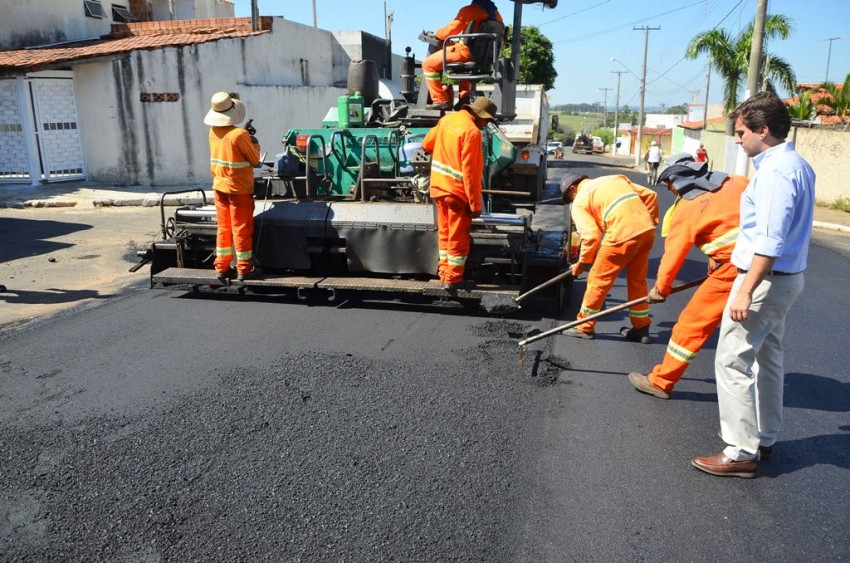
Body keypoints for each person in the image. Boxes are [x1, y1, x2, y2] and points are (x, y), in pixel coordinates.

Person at [691, 92, 815, 479]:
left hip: (764, 281)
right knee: (768, 358)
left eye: (742, 131)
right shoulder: (796, 165)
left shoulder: (777, 172)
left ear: (763, 130)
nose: (737, 138)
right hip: (784, 280)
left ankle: (741, 451)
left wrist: (745, 290)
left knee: (732, 358)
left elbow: (770, 240)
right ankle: (762, 435)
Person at [627, 155, 749, 399]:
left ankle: (661, 382)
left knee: (690, 324)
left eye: (669, 183)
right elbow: (732, 227)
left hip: (732, 269)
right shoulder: (737, 182)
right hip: (766, 262)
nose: (670, 189)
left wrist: (661, 289)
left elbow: (673, 256)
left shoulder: (688, 207)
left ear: (677, 180)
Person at [560, 172, 659, 341]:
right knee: (637, 281)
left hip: (621, 233)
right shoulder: (614, 179)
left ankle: (584, 326)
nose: (571, 202)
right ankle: (641, 328)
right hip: (646, 232)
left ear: (573, 189)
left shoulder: (580, 200)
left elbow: (591, 235)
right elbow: (651, 195)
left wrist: (582, 263)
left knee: (597, 280)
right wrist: (647, 220)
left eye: (569, 198)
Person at [422, 96, 496, 289]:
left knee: (444, 233)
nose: (486, 125)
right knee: (457, 237)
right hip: (457, 193)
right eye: (487, 121)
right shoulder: (472, 132)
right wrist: (475, 205)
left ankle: (444, 273)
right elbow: (470, 174)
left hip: (438, 188)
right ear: (479, 115)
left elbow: (426, 145)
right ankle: (453, 279)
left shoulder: (447, 119)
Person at [204, 91, 261, 284]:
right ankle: (244, 269)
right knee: (241, 228)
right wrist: (254, 141)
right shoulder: (240, 134)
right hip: (239, 190)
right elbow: (255, 160)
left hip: (219, 186)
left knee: (224, 228)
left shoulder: (213, 132)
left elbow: (229, 148)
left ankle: (222, 267)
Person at [421, 0, 503, 110]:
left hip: (466, 52)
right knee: (466, 69)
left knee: (428, 64)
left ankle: (440, 100)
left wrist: (435, 33)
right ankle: (464, 98)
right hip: (484, 57)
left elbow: (449, 31)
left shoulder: (469, 10)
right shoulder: (497, 15)